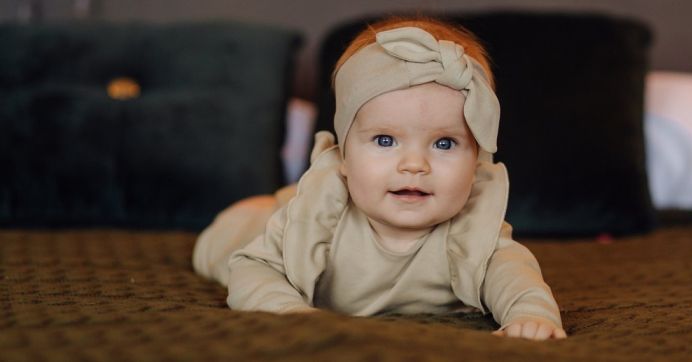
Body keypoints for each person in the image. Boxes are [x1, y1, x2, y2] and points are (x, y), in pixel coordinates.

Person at [192, 17, 566, 340]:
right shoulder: (316, 220)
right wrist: (290, 313)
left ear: (477, 161)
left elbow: (517, 280)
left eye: (444, 143)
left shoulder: (474, 232)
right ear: (343, 155)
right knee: (232, 237)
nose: (414, 165)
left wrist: (531, 315)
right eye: (385, 140)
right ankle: (267, 203)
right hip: (273, 220)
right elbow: (252, 267)